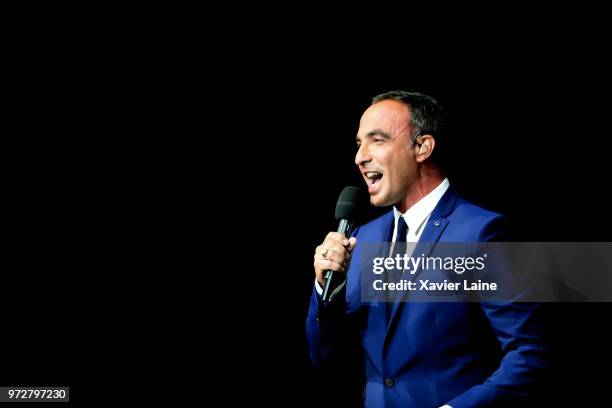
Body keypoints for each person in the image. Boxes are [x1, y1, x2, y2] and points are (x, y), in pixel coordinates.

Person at [306, 91, 548, 407]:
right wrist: (324, 288)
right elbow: (325, 357)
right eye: (358, 144)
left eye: (376, 140)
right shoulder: (362, 238)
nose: (360, 157)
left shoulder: (482, 234)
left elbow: (529, 354)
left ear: (422, 147)